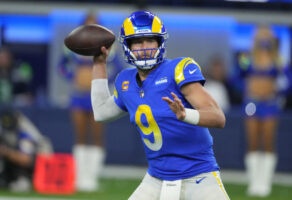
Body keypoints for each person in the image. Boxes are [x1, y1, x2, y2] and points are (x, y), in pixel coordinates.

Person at [91, 11, 230, 200]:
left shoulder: (178, 69)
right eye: (138, 41)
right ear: (127, 45)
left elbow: (218, 117)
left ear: (160, 42)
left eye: (150, 40)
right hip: (156, 177)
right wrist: (99, 63)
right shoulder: (125, 81)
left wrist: (185, 114)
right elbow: (100, 113)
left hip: (198, 175)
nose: (145, 47)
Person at [236, 26, 292, 197]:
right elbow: (236, 77)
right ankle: (254, 182)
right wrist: (246, 88)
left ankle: (265, 183)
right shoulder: (247, 58)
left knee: (268, 142)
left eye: (267, 34)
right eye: (260, 34)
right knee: (252, 141)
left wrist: (277, 92)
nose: (263, 37)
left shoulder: (278, 59)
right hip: (252, 103)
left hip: (270, 104)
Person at [59, 13, 106, 191]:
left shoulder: (106, 45)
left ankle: (92, 177)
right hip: (78, 95)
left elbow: (117, 66)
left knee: (96, 136)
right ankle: (79, 177)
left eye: (95, 24)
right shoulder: (73, 45)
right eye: (88, 24)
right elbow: (61, 67)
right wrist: (73, 76)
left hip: (96, 95)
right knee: (79, 136)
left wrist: (105, 80)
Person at [0, 108, 53, 192]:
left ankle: (24, 179)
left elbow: (26, 159)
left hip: (39, 161)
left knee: (17, 156)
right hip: (16, 157)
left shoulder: (26, 131)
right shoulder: (4, 127)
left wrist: (6, 152)